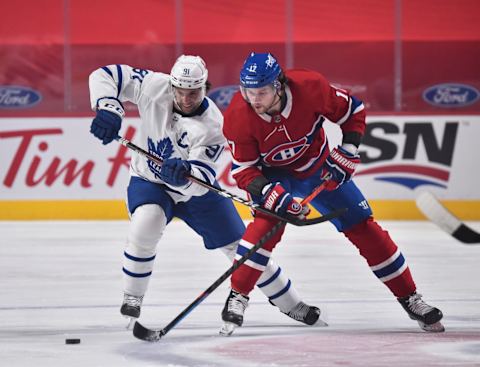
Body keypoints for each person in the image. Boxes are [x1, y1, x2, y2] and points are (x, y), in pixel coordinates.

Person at [88, 54, 326, 329]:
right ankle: (133, 296)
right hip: (149, 181)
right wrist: (108, 108)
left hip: (196, 194)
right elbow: (105, 75)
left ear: (205, 87)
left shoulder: (213, 124)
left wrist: (185, 176)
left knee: (243, 250)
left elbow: (201, 176)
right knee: (146, 222)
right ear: (172, 85)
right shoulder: (154, 85)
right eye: (180, 92)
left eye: (194, 92)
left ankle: (291, 303)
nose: (186, 99)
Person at [219, 52, 444, 335]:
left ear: (278, 85)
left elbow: (354, 111)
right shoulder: (238, 117)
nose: (254, 99)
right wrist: (271, 194)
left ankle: (410, 298)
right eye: (248, 91)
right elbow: (245, 171)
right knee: (264, 230)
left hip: (319, 168)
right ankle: (238, 295)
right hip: (275, 177)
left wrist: (348, 151)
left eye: (261, 91)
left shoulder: (310, 86)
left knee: (364, 227)